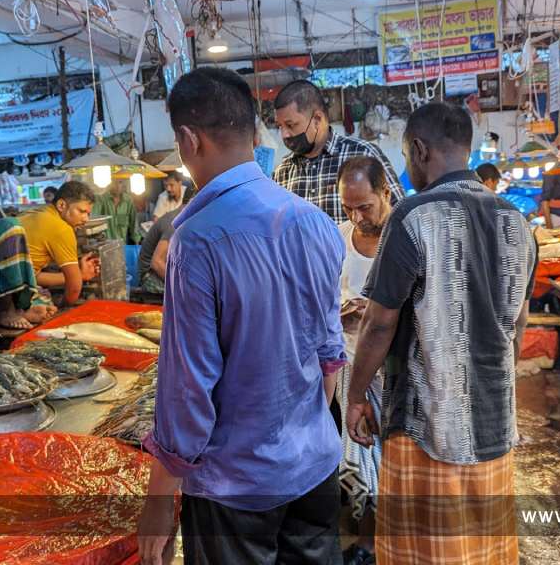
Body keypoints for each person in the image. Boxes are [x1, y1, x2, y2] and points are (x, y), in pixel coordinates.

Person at [138, 67, 345, 565]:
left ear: (189, 139)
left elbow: (188, 386)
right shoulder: (313, 221)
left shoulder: (197, 239)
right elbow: (330, 356)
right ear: (254, 132)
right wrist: (297, 430)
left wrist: (159, 499)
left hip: (235, 489)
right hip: (315, 468)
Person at [345, 101, 535, 565]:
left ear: (418, 149)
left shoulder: (412, 217)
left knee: (425, 553)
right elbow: (520, 323)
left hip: (424, 426)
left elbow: (379, 321)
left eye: (408, 157)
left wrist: (354, 396)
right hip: (493, 423)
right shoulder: (518, 223)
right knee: (484, 548)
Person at [336, 156, 392, 565]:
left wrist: (376, 310)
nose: (356, 217)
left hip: (393, 373)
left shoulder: (402, 240)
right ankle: (369, 542)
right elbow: (323, 294)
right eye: (348, 207)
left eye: (365, 207)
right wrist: (341, 308)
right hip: (348, 372)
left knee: (393, 463)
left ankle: (391, 543)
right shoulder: (339, 239)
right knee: (360, 454)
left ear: (385, 193)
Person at [273, 79, 404, 224]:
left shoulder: (364, 154)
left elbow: (400, 218)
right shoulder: (282, 173)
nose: (284, 134)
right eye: (280, 126)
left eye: (290, 125)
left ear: (317, 119)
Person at [18, 181, 99, 306]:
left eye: (88, 214)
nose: (86, 219)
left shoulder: (33, 214)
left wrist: (79, 274)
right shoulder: (62, 228)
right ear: (61, 205)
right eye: (81, 211)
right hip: (12, 295)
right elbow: (74, 287)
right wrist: (62, 306)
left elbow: (33, 276)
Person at [137, 186, 194, 295]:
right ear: (192, 202)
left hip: (163, 271)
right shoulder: (175, 222)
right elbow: (157, 262)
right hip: (150, 276)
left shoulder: (184, 220)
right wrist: (183, 284)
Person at [93, 177, 143, 244]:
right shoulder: (101, 199)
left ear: (123, 184)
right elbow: (94, 219)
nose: (117, 186)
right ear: (109, 184)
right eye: (114, 182)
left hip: (122, 244)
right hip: (105, 244)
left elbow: (133, 222)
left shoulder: (128, 200)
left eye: (120, 182)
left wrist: (137, 241)